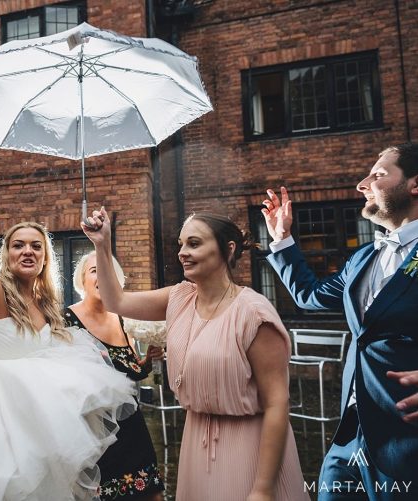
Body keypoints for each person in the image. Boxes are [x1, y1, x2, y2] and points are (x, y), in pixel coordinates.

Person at [0, 139, 137, 500]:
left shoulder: (47, 307)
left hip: (40, 435)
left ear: (46, 258)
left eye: (36, 246)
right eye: (18, 245)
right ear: (7, 253)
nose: (27, 251)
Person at [83, 209, 307, 501]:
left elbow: (277, 404)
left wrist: (263, 488)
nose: (182, 253)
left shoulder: (253, 314)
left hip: (247, 446)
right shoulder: (180, 297)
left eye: (194, 243)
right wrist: (102, 244)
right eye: (181, 244)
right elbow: (116, 300)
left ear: (227, 250)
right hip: (195, 441)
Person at [262, 143, 418, 499]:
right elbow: (308, 296)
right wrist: (282, 240)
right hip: (349, 437)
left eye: (378, 174)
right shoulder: (362, 257)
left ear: (414, 185)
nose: (363, 183)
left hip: (407, 443)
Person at [64, 251, 165, 500]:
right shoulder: (65, 321)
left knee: (152, 494)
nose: (101, 276)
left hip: (132, 428)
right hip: (95, 434)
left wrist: (146, 364)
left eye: (107, 270)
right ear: (82, 280)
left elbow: (128, 372)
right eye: (94, 270)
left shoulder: (122, 320)